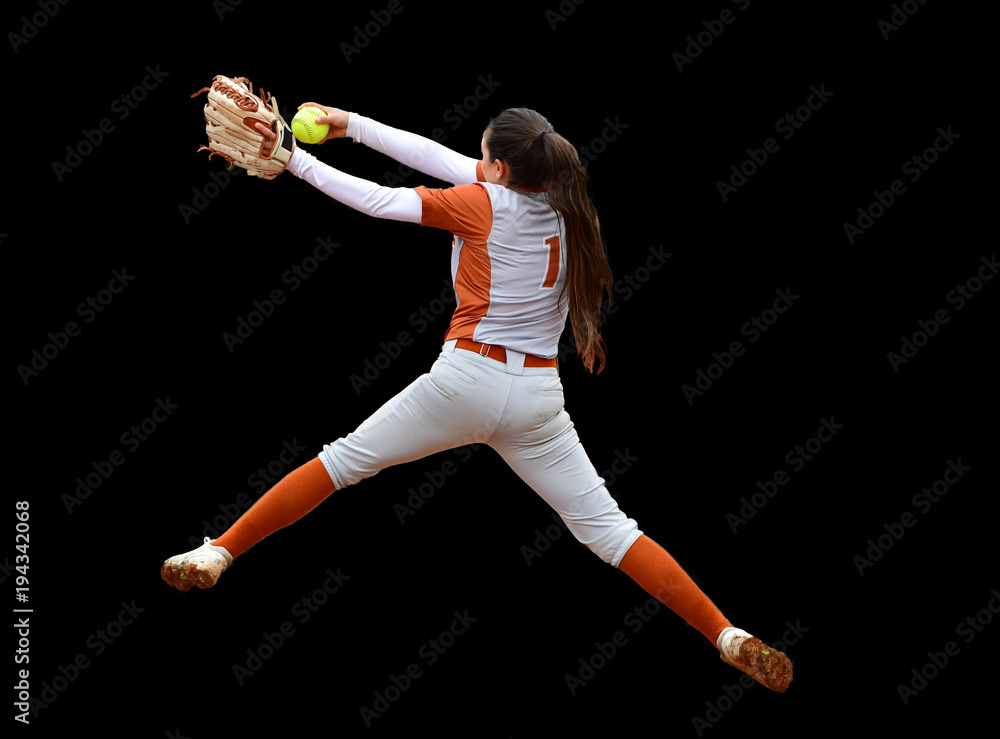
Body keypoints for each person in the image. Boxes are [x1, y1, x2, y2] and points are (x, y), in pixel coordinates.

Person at [161, 103, 793, 692]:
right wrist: (348, 123)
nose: (472, 162)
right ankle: (725, 633)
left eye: (483, 157)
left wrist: (297, 160)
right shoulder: (571, 207)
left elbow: (381, 201)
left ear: (498, 168)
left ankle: (218, 552)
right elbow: (434, 156)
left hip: (465, 380)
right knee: (611, 533)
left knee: (340, 464)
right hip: (539, 399)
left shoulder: (482, 204)